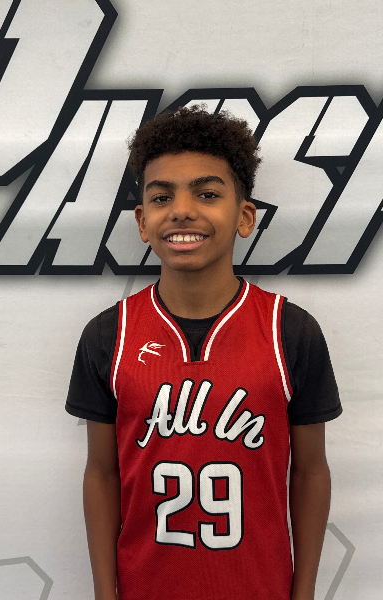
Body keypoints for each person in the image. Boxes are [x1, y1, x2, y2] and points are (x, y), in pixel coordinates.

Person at [65, 105, 342, 600]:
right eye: (161, 196)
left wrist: (303, 593)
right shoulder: (109, 335)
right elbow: (102, 474)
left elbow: (310, 471)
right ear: (142, 222)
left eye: (207, 194)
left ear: (245, 217)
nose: (181, 210)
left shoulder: (290, 331)